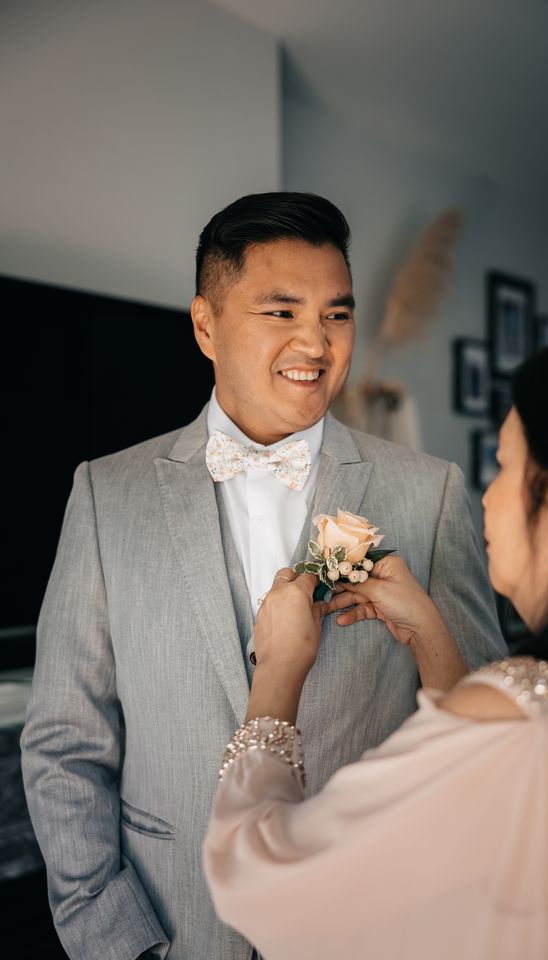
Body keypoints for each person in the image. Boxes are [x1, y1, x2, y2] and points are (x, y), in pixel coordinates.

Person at [21, 192, 504, 960]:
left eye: (337, 315)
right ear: (206, 325)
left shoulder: (432, 492)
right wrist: (114, 943)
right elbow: (63, 746)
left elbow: (483, 734)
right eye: (281, 312)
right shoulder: (106, 495)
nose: (315, 340)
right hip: (170, 926)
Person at [204, 326, 548, 960]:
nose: (486, 494)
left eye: (507, 466)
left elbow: (256, 877)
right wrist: (432, 634)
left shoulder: (519, 727)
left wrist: (276, 672)